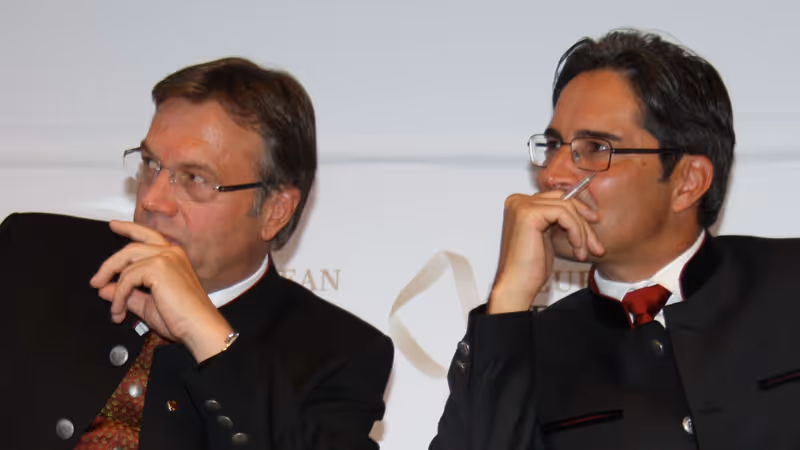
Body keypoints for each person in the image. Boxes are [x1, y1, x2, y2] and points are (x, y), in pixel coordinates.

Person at [430, 29, 800, 450]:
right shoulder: (516, 350)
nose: (552, 176)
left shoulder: (788, 286)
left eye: (594, 148)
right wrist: (509, 297)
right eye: (553, 146)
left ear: (688, 181)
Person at [1, 57, 393, 450]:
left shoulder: (340, 355)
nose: (153, 199)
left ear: (275, 210)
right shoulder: (33, 254)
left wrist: (207, 335)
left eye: (195, 179)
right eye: (150, 164)